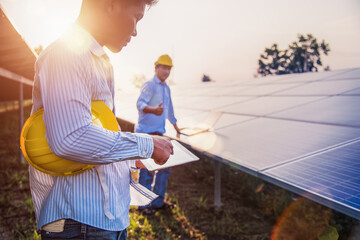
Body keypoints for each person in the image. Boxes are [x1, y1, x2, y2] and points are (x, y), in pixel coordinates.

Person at [29, 0, 174, 239]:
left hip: (101, 221)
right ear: (111, 5)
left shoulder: (96, 60)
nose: (135, 31)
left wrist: (128, 160)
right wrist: (146, 144)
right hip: (80, 224)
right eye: (136, 18)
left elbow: (98, 137)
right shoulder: (66, 54)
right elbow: (70, 138)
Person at [135, 54, 181, 215]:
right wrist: (153, 110)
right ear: (156, 68)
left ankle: (158, 202)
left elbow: (170, 110)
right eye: (164, 67)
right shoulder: (150, 85)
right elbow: (140, 104)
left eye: (169, 68)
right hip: (146, 133)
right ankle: (143, 205)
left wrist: (176, 127)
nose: (166, 71)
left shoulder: (166, 88)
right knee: (147, 169)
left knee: (164, 167)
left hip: (159, 133)